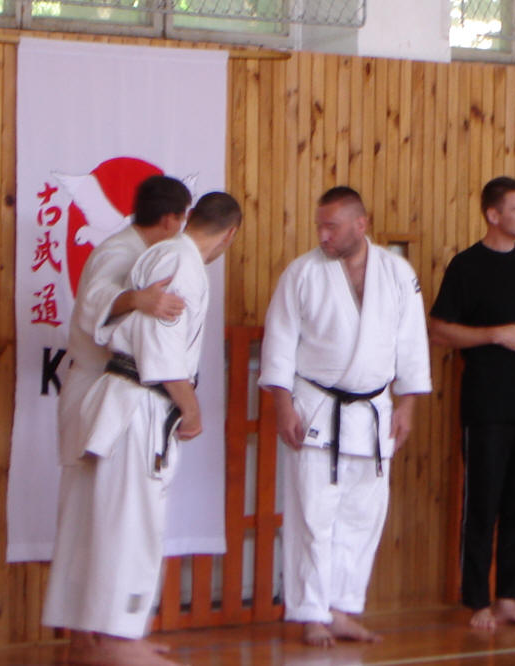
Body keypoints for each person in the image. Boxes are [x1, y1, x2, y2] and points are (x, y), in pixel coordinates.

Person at [45, 191, 242, 665]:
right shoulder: (173, 259)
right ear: (229, 234)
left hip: (120, 397)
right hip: (130, 397)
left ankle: (95, 635)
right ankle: (117, 637)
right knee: (127, 521)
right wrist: (190, 407)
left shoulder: (161, 254)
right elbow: (155, 343)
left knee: (103, 519)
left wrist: (135, 300)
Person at [259, 186, 431, 648]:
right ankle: (311, 613)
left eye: (331, 226)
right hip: (316, 409)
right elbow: (279, 343)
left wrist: (407, 404)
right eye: (319, 226)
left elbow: (412, 343)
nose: (323, 235)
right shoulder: (302, 273)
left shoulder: (397, 273)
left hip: (374, 414)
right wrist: (282, 405)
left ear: (361, 224)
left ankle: (341, 609)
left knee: (362, 517)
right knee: (313, 517)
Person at [43, 175, 190, 656]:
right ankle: (100, 636)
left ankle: (92, 634)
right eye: (182, 219)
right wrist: (136, 298)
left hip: (105, 396)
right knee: (96, 516)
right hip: (97, 393)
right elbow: (92, 304)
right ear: (170, 219)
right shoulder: (119, 250)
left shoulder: (137, 251)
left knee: (95, 516)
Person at [429, 176, 515, 632]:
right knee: (483, 504)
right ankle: (477, 599)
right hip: (489, 407)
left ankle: (511, 598)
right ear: (493, 214)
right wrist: (493, 335)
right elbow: (438, 329)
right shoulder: (467, 267)